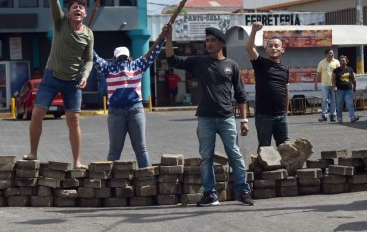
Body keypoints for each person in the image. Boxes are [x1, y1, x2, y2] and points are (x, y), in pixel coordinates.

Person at [165, 24, 254, 206]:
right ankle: (210, 194)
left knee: (235, 155)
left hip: (227, 118)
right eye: (207, 40)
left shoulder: (232, 66)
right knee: (206, 157)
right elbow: (172, 60)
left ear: (221, 43)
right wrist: (168, 38)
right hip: (205, 118)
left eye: (212, 40)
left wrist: (244, 120)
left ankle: (243, 192)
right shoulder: (199, 62)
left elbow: (240, 95)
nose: (209, 43)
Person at [24, 0, 93, 169]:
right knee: (37, 113)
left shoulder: (89, 34)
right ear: (68, 11)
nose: (78, 9)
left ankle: (77, 161)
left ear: (86, 13)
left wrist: (86, 75)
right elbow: (53, 0)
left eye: (81, 7)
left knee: (73, 119)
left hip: (73, 81)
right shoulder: (60, 22)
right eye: (74, 7)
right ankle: (33, 152)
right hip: (51, 77)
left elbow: (88, 59)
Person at [93, 24, 168, 168]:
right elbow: (153, 53)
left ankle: (115, 181)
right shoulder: (136, 64)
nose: (122, 61)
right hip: (128, 110)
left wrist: (163, 36)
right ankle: (144, 178)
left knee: (124, 151)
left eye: (123, 58)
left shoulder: (109, 67)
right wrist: (162, 36)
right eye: (121, 58)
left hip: (127, 110)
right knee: (135, 150)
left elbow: (93, 56)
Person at [246, 22, 290, 147]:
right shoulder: (260, 63)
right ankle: (264, 167)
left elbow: (286, 90)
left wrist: (285, 112)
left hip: (281, 117)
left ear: (282, 50)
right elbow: (249, 48)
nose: (274, 48)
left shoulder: (285, 69)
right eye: (270, 46)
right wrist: (254, 31)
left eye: (277, 46)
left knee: (286, 148)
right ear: (266, 49)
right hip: (264, 116)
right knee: (265, 149)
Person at [332, 55, 360, 123]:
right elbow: (333, 79)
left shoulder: (350, 69)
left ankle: (352, 117)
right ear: (339, 62)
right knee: (339, 105)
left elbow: (353, 79)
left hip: (348, 90)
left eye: (343, 60)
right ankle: (339, 118)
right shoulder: (336, 70)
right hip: (339, 90)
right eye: (341, 60)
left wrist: (355, 87)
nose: (342, 62)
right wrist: (334, 86)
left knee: (350, 104)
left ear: (346, 61)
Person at [315, 48, 339, 122]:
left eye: (332, 53)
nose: (332, 54)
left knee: (333, 101)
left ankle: (332, 116)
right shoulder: (321, 63)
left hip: (334, 85)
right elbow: (318, 74)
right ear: (326, 54)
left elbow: (339, 73)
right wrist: (315, 84)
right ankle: (324, 115)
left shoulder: (336, 62)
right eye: (330, 53)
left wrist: (338, 84)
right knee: (325, 100)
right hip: (325, 85)